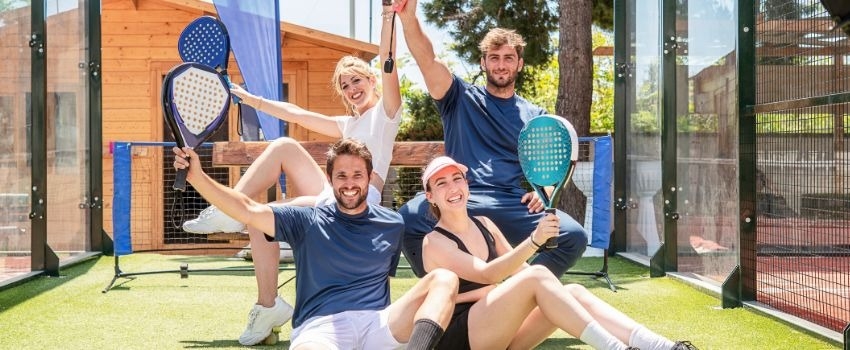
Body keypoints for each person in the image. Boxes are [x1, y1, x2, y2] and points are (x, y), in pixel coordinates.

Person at [181, 3, 404, 345]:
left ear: (371, 80)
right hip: (332, 195)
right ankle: (267, 303)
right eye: (344, 86)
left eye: (356, 80)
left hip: (358, 199)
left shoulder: (387, 115)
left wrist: (388, 16)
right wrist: (249, 98)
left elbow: (390, 67)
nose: (351, 89)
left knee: (260, 213)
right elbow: (296, 113)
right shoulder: (348, 123)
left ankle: (228, 213)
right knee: (279, 160)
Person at [172, 139, 457, 350]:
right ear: (330, 180)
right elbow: (247, 209)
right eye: (341, 176)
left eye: (358, 175)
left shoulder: (392, 224)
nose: (349, 183)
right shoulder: (305, 218)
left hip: (377, 323)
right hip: (321, 329)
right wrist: (197, 176)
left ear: (369, 179)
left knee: (443, 278)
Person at [393, 0, 588, 278]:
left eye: (508, 58)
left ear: (519, 64)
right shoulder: (458, 97)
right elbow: (427, 60)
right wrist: (408, 18)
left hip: (511, 205)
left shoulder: (535, 116)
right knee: (408, 218)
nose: (501, 65)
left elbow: (547, 172)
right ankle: (442, 288)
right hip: (460, 198)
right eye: (494, 58)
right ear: (483, 62)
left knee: (573, 235)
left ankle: (521, 292)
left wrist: (541, 192)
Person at [419, 156, 697, 350]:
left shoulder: (486, 225)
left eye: (457, 179)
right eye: (441, 183)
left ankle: (664, 346)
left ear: (467, 185)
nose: (453, 187)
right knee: (539, 275)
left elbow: (524, 275)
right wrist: (535, 240)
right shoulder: (434, 242)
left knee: (572, 291)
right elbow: (488, 273)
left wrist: (541, 291)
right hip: (462, 339)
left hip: (501, 334)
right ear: (430, 196)